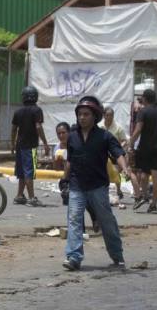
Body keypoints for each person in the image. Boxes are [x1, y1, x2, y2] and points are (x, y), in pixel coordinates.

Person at [61, 96, 127, 271]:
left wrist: (125, 168)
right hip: (77, 186)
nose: (82, 117)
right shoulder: (72, 137)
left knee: (106, 221)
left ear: (95, 116)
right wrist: (64, 179)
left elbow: (118, 153)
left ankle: (117, 255)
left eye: (86, 114)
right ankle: (74, 257)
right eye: (80, 114)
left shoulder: (105, 136)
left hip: (98, 187)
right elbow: (69, 161)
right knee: (74, 220)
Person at [53, 122, 99, 233]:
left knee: (81, 202)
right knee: (76, 204)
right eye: (59, 133)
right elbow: (56, 168)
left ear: (69, 133)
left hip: (82, 176)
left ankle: (92, 218)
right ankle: (82, 228)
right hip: (69, 178)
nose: (61, 136)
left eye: (63, 133)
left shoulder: (77, 143)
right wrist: (57, 160)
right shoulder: (57, 148)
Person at [129, 89, 157, 213]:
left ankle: (144, 196)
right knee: (156, 176)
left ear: (145, 99)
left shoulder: (143, 112)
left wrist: (130, 142)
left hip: (145, 147)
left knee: (144, 174)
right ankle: (154, 204)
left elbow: (138, 129)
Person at [11, 86, 50, 207]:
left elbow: (14, 129)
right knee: (29, 172)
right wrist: (45, 142)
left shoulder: (18, 112)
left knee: (22, 172)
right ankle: (32, 198)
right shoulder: (37, 110)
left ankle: (19, 196)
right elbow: (38, 126)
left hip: (20, 145)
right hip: (31, 146)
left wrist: (12, 144)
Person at [98, 107, 128, 200]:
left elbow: (124, 140)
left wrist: (119, 147)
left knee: (115, 172)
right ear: (104, 116)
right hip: (102, 152)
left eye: (111, 115)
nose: (109, 117)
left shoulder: (118, 127)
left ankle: (118, 190)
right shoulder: (99, 126)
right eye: (107, 115)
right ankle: (103, 192)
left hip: (114, 153)